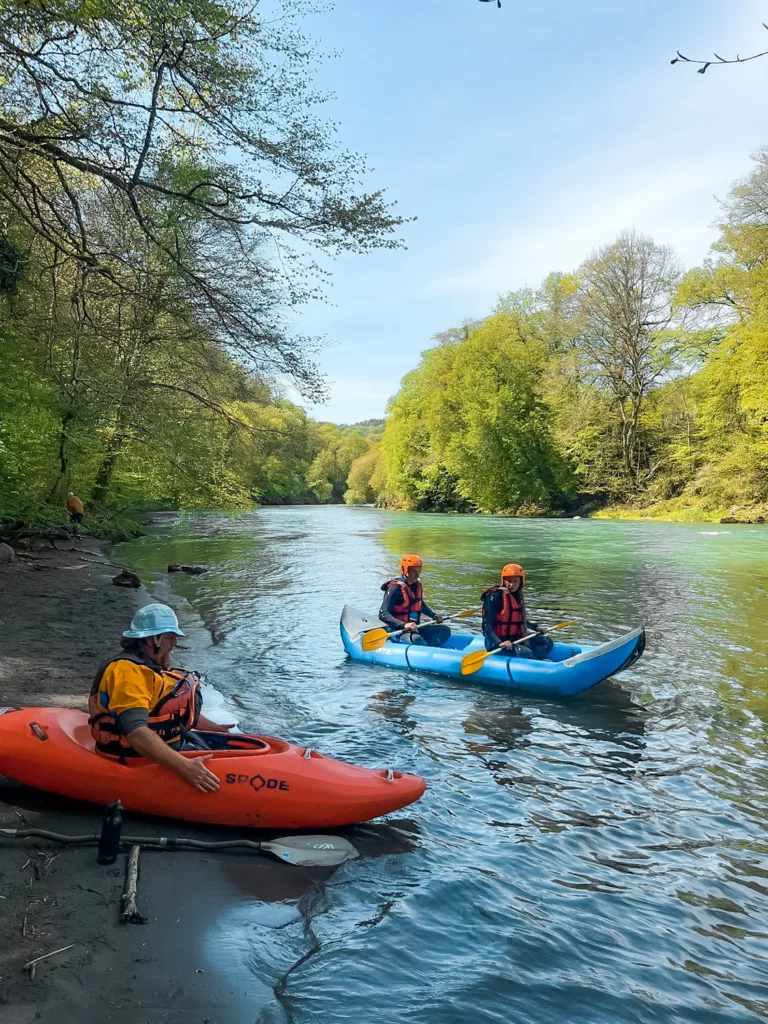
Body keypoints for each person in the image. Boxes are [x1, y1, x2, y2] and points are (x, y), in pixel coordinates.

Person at [88, 603, 235, 792]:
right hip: (133, 756)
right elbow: (136, 734)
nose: (173, 643)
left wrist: (215, 729)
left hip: (163, 744)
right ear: (152, 640)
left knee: (226, 746)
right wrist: (186, 768)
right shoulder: (128, 672)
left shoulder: (149, 667)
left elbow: (167, 712)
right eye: (171, 637)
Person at [481, 563, 553, 660]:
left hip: (515, 639)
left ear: (521, 582)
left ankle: (536, 661)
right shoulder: (495, 597)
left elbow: (519, 619)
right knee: (526, 653)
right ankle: (531, 662)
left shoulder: (517, 596)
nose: (512, 585)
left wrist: (536, 628)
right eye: (508, 581)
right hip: (497, 643)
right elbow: (486, 626)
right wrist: (499, 642)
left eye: (515, 581)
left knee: (546, 642)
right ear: (503, 580)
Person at [379, 554, 451, 647]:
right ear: (404, 569)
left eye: (419, 571)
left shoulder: (417, 584)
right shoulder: (395, 588)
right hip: (398, 630)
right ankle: (423, 647)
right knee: (417, 639)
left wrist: (433, 615)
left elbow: (420, 604)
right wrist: (404, 625)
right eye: (413, 571)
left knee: (445, 631)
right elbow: (383, 614)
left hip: (415, 628)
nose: (416, 575)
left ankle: (428, 648)